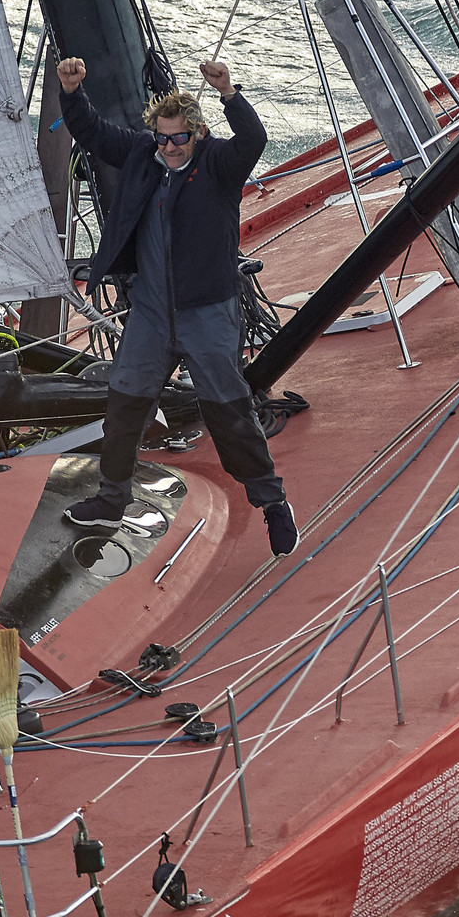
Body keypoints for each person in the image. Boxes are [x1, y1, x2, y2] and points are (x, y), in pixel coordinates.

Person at [55, 54, 299, 557]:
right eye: (162, 137)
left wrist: (228, 91)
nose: (168, 147)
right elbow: (94, 134)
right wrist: (72, 92)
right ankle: (110, 499)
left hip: (206, 312)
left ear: (198, 135)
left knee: (230, 413)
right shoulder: (145, 154)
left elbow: (253, 140)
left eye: (178, 138)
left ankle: (272, 502)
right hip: (149, 311)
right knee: (124, 407)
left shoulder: (220, 165)